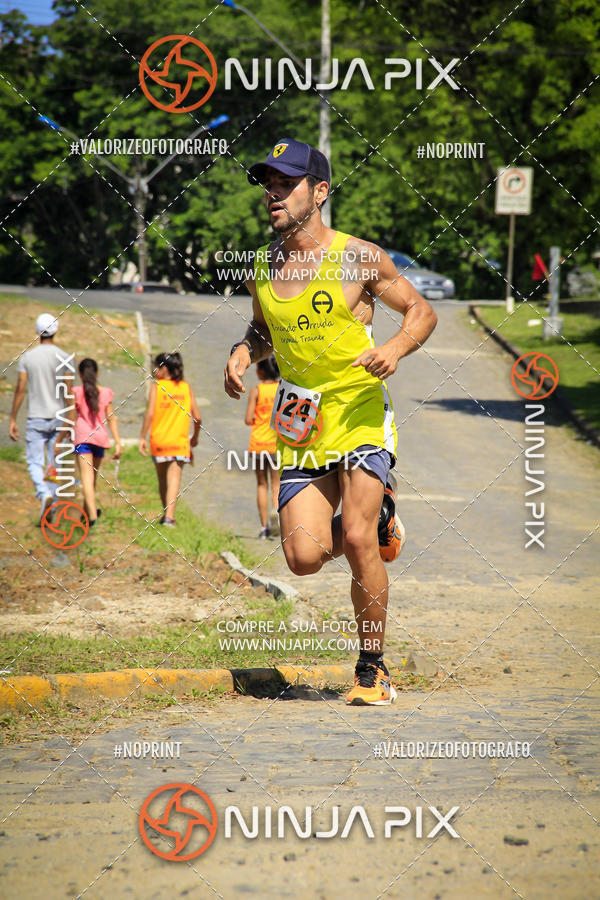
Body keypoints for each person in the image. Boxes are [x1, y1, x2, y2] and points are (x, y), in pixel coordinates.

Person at [224, 138, 438, 705]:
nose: (273, 194)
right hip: (301, 420)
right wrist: (245, 353)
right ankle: (384, 516)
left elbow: (422, 310)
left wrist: (394, 348)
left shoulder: (358, 257)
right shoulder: (263, 267)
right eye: (268, 184)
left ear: (318, 193)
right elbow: (263, 329)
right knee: (302, 558)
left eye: (285, 184)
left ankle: (373, 669)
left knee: (359, 536)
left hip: (361, 411)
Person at [9, 313, 72, 523]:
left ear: (37, 332)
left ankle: (43, 493)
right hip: (59, 417)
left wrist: (12, 418)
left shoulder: (27, 357)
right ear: (57, 330)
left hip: (36, 416)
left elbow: (20, 389)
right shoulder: (64, 356)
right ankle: (51, 505)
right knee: (55, 463)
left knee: (34, 461)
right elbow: (69, 394)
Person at [139, 351, 201, 526]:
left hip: (159, 440)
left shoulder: (157, 386)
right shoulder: (185, 387)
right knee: (174, 478)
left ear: (164, 369)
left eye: (156, 368)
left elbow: (149, 413)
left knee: (162, 480)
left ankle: (166, 513)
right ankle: (169, 517)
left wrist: (142, 437)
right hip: (179, 442)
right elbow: (198, 416)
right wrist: (195, 437)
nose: (154, 371)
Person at [72, 358, 121, 527]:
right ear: (98, 373)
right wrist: (118, 442)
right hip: (100, 439)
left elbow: (70, 419)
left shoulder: (76, 392)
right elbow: (112, 418)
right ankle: (86, 514)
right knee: (91, 479)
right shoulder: (106, 392)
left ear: (80, 374)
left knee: (86, 479)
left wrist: (59, 439)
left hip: (83, 439)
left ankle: (92, 517)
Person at [245, 355, 281, 539]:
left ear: (261, 371)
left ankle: (264, 527)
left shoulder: (256, 390)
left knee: (261, 484)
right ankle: (277, 514)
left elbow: (248, 418)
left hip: (258, 444)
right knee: (276, 484)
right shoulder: (281, 389)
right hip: (276, 444)